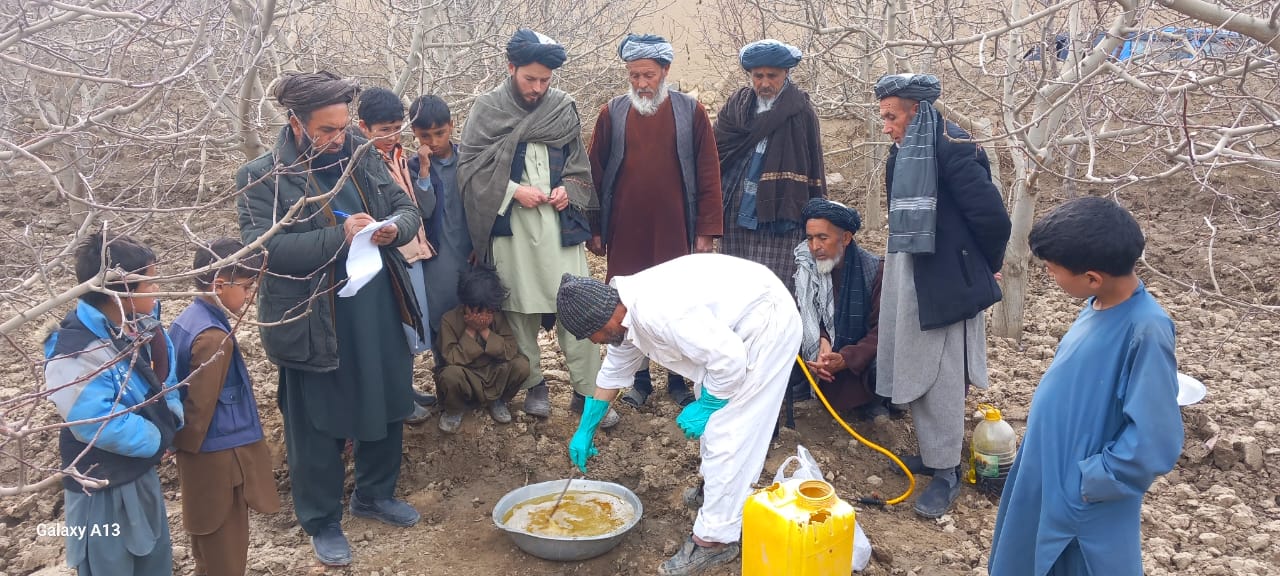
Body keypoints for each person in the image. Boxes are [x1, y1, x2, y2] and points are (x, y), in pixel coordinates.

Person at [236, 71, 423, 567]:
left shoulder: (359, 152)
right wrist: (338, 238)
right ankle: (321, 518)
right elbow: (266, 250)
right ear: (295, 124)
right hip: (314, 318)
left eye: (343, 127)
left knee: (387, 398)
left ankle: (374, 494)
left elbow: (406, 207)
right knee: (315, 421)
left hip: (378, 304)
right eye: (327, 130)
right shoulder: (263, 176)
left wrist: (391, 230)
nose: (339, 139)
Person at [559, 254, 802, 576]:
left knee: (729, 432)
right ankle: (716, 491)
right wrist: (586, 427)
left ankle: (715, 541)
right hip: (730, 331)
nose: (596, 341)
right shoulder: (623, 312)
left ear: (608, 315)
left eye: (596, 334)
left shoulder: (659, 314)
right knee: (716, 416)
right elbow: (615, 368)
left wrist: (708, 406)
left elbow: (729, 361)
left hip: (764, 325)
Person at [989, 197, 1184, 575]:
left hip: (1082, 501)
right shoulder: (1096, 304)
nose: (1049, 275)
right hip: (1046, 474)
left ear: (1092, 276)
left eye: (1052, 270)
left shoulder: (1146, 329)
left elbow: (1154, 439)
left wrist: (1089, 481)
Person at [458, 29, 617, 428]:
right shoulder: (487, 108)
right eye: (530, 79)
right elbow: (470, 170)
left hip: (559, 232)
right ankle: (535, 385)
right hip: (512, 233)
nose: (538, 87)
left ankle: (587, 392)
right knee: (519, 315)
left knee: (579, 312)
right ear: (511, 68)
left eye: (545, 80)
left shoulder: (563, 107)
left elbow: (580, 168)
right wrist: (513, 191)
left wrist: (569, 191)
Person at [872, 73, 1012, 519]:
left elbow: (993, 219)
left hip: (946, 278)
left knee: (943, 371)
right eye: (883, 117)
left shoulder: (954, 148)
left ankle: (948, 470)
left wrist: (986, 265)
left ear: (917, 111)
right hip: (912, 269)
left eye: (892, 117)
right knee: (915, 361)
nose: (887, 126)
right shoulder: (905, 154)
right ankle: (934, 454)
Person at [587, 33, 722, 408]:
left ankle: (678, 378)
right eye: (634, 76)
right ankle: (638, 380)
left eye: (648, 75)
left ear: (665, 71)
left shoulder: (690, 112)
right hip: (626, 229)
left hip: (675, 228)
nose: (642, 84)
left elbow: (709, 172)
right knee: (627, 304)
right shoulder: (611, 113)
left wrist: (707, 232)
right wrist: (595, 228)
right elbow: (594, 174)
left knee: (677, 303)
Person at [45, 232, 183, 575]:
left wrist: (171, 414)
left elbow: (167, 379)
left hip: (139, 474)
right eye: (150, 283)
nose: (157, 290)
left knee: (154, 560)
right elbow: (100, 425)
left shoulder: (139, 327)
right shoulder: (74, 352)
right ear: (118, 292)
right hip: (100, 491)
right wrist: (160, 435)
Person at [170, 238, 281, 576]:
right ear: (219, 285)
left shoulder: (188, 319)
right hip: (220, 462)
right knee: (226, 553)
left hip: (204, 460)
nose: (250, 295)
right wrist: (183, 446)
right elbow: (199, 411)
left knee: (208, 547)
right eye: (247, 287)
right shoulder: (214, 339)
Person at [714, 39, 826, 293]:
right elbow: (716, 153)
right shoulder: (736, 106)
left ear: (786, 73)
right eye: (758, 76)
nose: (764, 83)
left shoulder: (801, 112)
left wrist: (818, 219)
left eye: (772, 76)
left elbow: (813, 166)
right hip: (734, 213)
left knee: (774, 290)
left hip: (780, 215)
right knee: (735, 287)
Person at [357, 86, 437, 424]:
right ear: (363, 128)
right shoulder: (362, 161)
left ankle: (406, 387)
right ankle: (399, 396)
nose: (390, 136)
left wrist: (423, 173)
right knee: (397, 327)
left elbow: (418, 206)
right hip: (391, 257)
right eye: (382, 130)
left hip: (414, 250)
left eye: (395, 128)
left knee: (413, 325)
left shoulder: (401, 155)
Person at [792, 198, 887, 417]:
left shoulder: (874, 270)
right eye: (810, 238)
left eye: (823, 238)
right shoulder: (807, 270)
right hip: (824, 359)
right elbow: (808, 315)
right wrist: (822, 338)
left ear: (845, 238)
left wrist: (846, 358)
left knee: (884, 362)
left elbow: (883, 331)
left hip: (859, 361)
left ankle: (874, 404)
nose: (815, 247)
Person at [406, 96, 473, 374]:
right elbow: (423, 209)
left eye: (439, 133)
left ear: (452, 126)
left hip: (471, 250)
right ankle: (448, 382)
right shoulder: (411, 167)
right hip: (437, 256)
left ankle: (485, 384)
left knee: (477, 312)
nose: (433, 141)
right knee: (440, 316)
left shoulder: (469, 159)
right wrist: (423, 171)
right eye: (425, 135)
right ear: (414, 134)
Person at [435, 264, 531, 433]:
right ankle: (454, 410)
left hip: (495, 373)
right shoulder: (449, 320)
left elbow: (510, 350)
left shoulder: (497, 317)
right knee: (450, 375)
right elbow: (450, 358)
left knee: (522, 365)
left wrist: (485, 331)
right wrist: (471, 331)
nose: (484, 316)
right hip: (467, 377)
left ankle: (498, 401)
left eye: (489, 311)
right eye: (478, 311)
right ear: (466, 304)